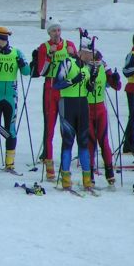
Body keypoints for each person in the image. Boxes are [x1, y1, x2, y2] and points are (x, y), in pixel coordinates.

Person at [0, 27, 30, 172]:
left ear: (2, 40)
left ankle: (10, 163)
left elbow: (27, 72)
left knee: (11, 128)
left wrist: (21, 62)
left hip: (10, 95)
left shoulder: (16, 52)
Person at [35, 21, 77, 181]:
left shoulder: (69, 44)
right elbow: (41, 71)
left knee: (66, 128)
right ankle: (49, 164)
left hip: (66, 90)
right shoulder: (44, 47)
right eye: (53, 31)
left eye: (58, 30)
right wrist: (49, 56)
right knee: (50, 127)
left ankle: (65, 164)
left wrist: (74, 54)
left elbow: (77, 66)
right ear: (49, 33)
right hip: (51, 88)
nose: (57, 33)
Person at [52, 36, 94, 192]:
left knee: (84, 142)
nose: (92, 56)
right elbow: (56, 84)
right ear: (82, 52)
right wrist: (73, 80)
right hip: (67, 104)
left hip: (83, 104)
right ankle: (65, 179)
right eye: (89, 53)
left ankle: (87, 179)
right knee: (68, 141)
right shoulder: (68, 63)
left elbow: (89, 88)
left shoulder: (87, 67)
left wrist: (92, 80)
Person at [87, 49, 121, 187]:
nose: (96, 63)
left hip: (100, 108)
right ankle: (88, 173)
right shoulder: (84, 68)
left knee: (103, 140)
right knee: (90, 142)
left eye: (98, 61)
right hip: (87, 108)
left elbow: (117, 86)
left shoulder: (103, 67)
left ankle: (109, 171)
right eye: (93, 61)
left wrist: (115, 79)